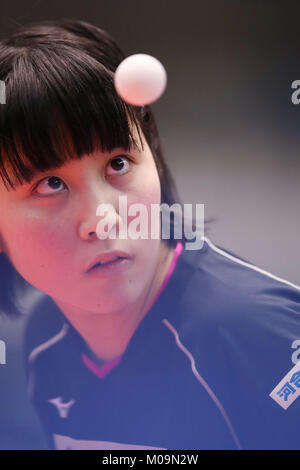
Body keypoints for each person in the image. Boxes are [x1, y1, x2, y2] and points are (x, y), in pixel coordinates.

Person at [0, 18, 300, 451]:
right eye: (51, 184)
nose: (103, 219)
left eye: (118, 164)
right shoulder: (45, 344)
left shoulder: (251, 331)